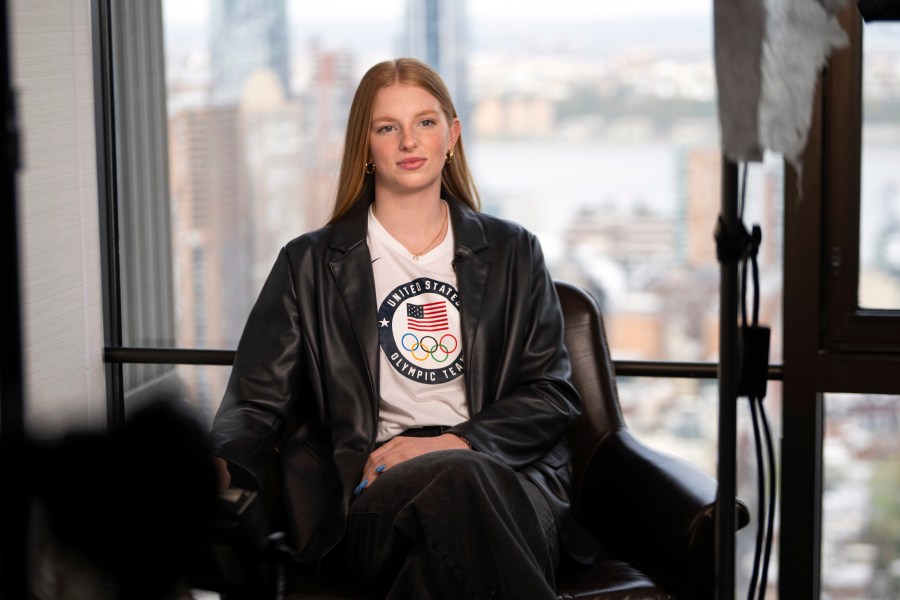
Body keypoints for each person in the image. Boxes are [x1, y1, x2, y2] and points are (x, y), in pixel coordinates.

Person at [209, 57, 596, 599]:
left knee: (448, 525)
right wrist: (217, 466)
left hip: (511, 482)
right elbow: (254, 401)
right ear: (365, 145)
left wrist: (458, 441)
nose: (409, 142)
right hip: (373, 494)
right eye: (388, 127)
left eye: (426, 123)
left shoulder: (514, 253)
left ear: (452, 137)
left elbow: (552, 393)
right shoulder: (309, 265)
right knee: (457, 493)